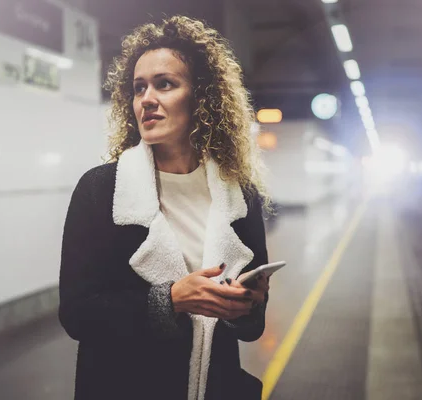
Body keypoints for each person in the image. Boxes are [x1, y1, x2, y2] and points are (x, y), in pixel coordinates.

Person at [59, 15, 272, 400]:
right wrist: (170, 299)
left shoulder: (239, 194)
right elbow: (77, 313)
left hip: (213, 386)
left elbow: (252, 328)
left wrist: (248, 308)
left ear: (202, 97)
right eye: (139, 88)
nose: (147, 99)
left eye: (165, 85)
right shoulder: (102, 190)